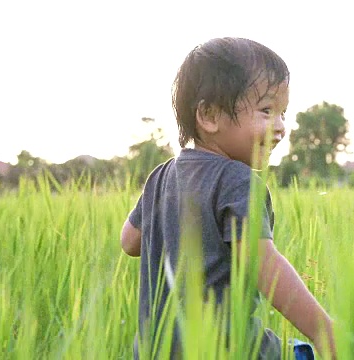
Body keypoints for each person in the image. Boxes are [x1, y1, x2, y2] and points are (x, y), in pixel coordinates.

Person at [120, 37, 337, 360]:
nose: (280, 127)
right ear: (209, 115)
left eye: (283, 114)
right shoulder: (237, 179)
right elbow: (264, 265)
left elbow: (129, 242)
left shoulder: (161, 176)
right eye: (267, 110)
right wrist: (325, 333)